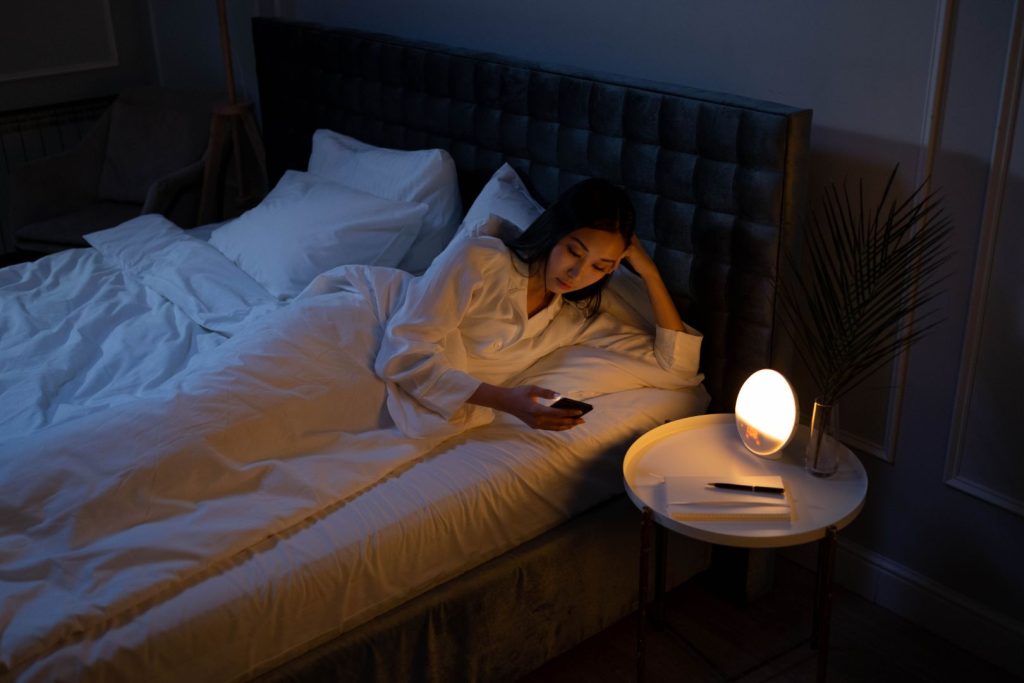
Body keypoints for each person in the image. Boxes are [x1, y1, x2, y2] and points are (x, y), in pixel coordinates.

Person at [375, 177, 701, 434]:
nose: (577, 274)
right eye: (574, 252)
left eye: (600, 267)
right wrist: (505, 400)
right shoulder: (480, 259)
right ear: (554, 232)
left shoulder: (572, 319)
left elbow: (678, 368)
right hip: (367, 338)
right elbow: (403, 351)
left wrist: (649, 273)